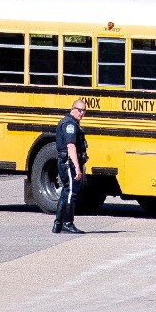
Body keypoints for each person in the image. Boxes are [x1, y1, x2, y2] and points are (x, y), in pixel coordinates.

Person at [53, 99, 89, 234]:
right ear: (72, 109)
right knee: (71, 193)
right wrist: (77, 167)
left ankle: (58, 224)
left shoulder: (72, 123)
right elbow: (71, 146)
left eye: (84, 110)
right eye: (79, 110)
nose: (82, 113)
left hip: (66, 161)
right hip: (68, 162)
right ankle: (68, 223)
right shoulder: (69, 124)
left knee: (66, 191)